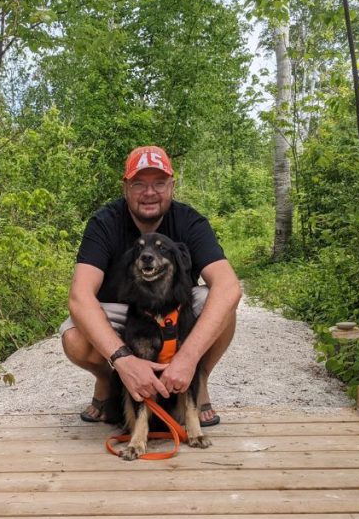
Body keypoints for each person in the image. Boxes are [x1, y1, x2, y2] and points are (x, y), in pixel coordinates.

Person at [59, 145, 241, 426]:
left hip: (175, 311)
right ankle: (111, 381)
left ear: (172, 186)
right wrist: (123, 359)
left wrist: (189, 358)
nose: (149, 193)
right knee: (75, 337)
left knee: (216, 301)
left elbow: (229, 286)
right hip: (122, 311)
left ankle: (198, 378)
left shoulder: (189, 221)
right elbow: (79, 296)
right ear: (125, 187)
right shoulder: (104, 223)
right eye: (139, 184)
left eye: (159, 183)